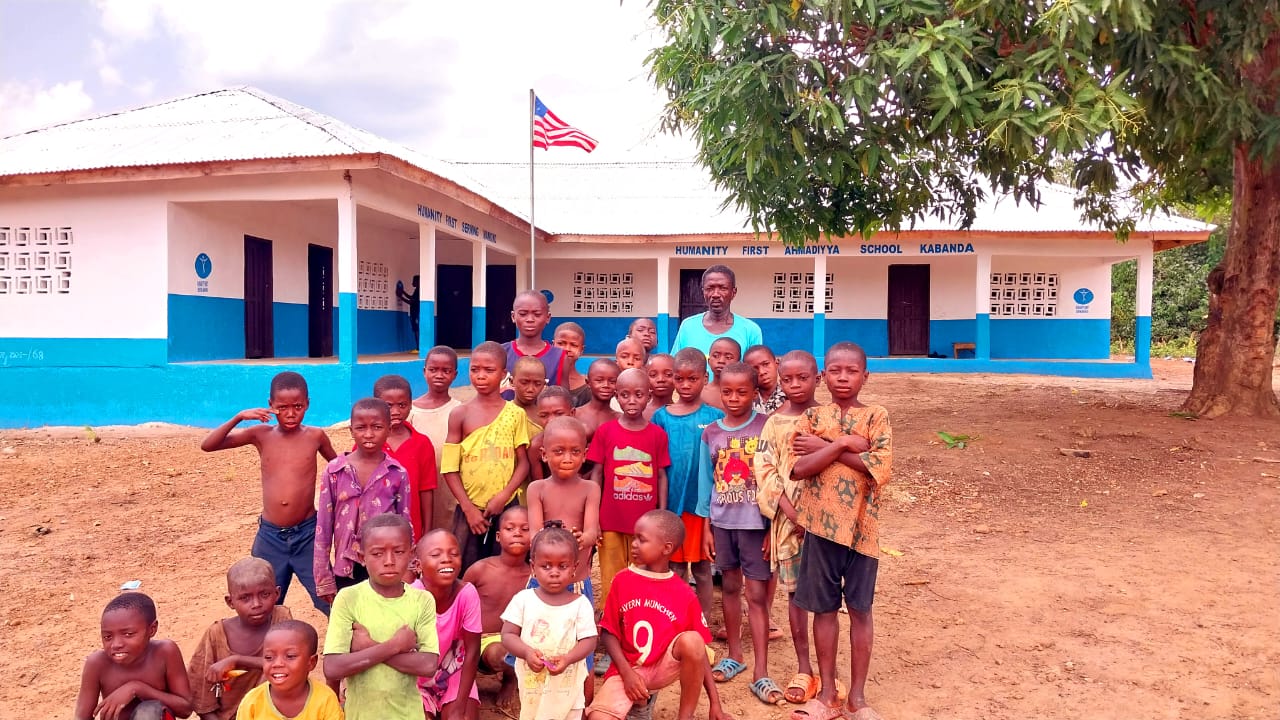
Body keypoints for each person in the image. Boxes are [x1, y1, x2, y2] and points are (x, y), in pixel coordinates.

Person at [790, 342, 892, 720]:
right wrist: (845, 443)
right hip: (820, 528)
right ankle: (829, 693)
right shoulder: (813, 419)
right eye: (836, 370)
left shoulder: (877, 416)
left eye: (852, 371)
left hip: (863, 532)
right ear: (824, 376)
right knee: (825, 610)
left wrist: (826, 448)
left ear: (866, 376)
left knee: (861, 611)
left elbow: (877, 467)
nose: (844, 377)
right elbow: (800, 468)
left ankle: (858, 698)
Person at [201, 371, 337, 614]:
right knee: (263, 603)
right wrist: (239, 417)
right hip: (270, 537)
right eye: (282, 407)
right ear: (270, 406)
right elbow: (208, 445)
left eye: (298, 406)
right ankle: (264, 651)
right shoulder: (261, 435)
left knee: (327, 597)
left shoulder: (315, 436)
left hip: (307, 535)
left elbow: (337, 467)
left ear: (308, 403)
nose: (291, 413)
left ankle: (343, 650)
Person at [586, 510, 729, 720]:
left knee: (693, 640)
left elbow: (699, 654)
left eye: (641, 539)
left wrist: (715, 704)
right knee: (598, 718)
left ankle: (684, 717)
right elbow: (608, 633)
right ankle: (640, 704)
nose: (634, 543)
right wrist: (627, 674)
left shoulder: (684, 593)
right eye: (634, 537)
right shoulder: (622, 580)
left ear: (666, 548)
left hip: (662, 669)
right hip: (627, 669)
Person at [697, 362, 777, 703]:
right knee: (729, 588)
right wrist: (706, 529)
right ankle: (735, 656)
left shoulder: (766, 428)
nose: (733, 398)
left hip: (756, 525)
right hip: (723, 524)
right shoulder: (711, 433)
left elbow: (775, 481)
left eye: (742, 392)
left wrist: (773, 529)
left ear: (755, 393)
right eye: (726, 391)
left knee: (756, 597)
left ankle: (762, 670)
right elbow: (706, 485)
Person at [754, 351, 822, 705]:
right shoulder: (773, 423)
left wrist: (814, 516)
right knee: (795, 595)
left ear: (818, 378)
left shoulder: (829, 420)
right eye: (787, 380)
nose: (794, 386)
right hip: (789, 525)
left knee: (825, 597)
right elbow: (765, 473)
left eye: (803, 378)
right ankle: (803, 667)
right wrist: (795, 516)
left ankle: (827, 670)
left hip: (826, 524)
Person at [324, 513, 440, 720]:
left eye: (398, 551)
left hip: (408, 714)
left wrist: (368, 645)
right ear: (361, 557)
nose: (389, 561)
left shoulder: (422, 601)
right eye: (377, 554)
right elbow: (332, 668)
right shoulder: (349, 598)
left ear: (412, 554)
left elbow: (428, 665)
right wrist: (395, 645)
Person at [441, 341, 531, 569]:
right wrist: (469, 508)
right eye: (475, 370)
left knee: (506, 561)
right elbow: (449, 468)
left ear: (503, 374)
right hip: (468, 507)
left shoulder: (515, 414)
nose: (481, 376)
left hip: (506, 505)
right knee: (464, 564)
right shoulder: (460, 414)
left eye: (489, 371)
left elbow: (523, 464)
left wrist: (504, 495)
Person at [314, 398, 412, 604]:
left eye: (377, 427)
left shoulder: (397, 473)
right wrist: (323, 576)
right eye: (361, 428)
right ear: (351, 430)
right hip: (345, 567)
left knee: (384, 620)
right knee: (349, 623)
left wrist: (408, 566)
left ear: (388, 429)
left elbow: (405, 524)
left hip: (385, 564)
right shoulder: (335, 470)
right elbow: (323, 526)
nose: (368, 434)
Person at [651, 348, 722, 625]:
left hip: (701, 508)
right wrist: (660, 507)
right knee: (676, 567)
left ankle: (702, 621)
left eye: (692, 379)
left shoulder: (715, 417)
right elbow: (658, 467)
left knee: (703, 569)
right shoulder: (662, 417)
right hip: (671, 506)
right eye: (679, 379)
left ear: (705, 378)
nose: (685, 385)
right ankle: (675, 620)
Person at [588, 368, 670, 606]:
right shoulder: (606, 431)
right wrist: (594, 517)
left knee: (642, 574)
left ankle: (637, 619)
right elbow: (597, 473)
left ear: (649, 395)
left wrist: (661, 517)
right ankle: (612, 623)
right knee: (611, 577)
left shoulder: (657, 435)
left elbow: (662, 476)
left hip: (644, 524)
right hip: (610, 521)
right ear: (616, 395)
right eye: (624, 395)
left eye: (638, 395)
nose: (632, 401)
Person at [501, 523, 598, 720]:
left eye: (562, 566)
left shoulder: (580, 604)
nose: (554, 572)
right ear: (533, 567)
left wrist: (568, 658)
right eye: (546, 566)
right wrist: (526, 652)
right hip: (533, 688)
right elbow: (508, 635)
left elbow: (589, 641)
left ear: (574, 568)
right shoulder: (523, 599)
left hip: (568, 688)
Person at [188, 558, 294, 720]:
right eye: (245, 598)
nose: (257, 604)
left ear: (277, 594)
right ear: (230, 602)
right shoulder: (216, 635)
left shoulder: (282, 619)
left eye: (264, 594)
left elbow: (289, 666)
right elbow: (202, 700)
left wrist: (237, 660)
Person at [74, 592, 194, 720]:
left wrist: (137, 689)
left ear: (152, 629)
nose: (116, 644)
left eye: (128, 634)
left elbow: (185, 709)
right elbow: (82, 717)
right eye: (107, 637)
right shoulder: (97, 663)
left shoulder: (165, 652)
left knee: (148, 712)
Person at [461, 505, 532, 716]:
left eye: (525, 528)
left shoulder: (534, 577)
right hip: (473, 639)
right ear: (499, 537)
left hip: (507, 643)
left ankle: (510, 680)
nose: (517, 532)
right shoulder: (480, 569)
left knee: (502, 652)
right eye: (511, 528)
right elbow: (459, 602)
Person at [410, 529, 482, 720]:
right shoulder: (411, 597)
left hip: (453, 674)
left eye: (454, 554)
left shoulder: (467, 593)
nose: (446, 559)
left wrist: (459, 706)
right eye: (436, 554)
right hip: (416, 680)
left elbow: (473, 650)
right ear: (418, 565)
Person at [527, 416, 601, 597]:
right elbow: (534, 535)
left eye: (575, 452)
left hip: (577, 582)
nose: (567, 459)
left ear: (584, 455)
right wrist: (555, 538)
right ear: (544, 454)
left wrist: (580, 539)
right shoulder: (537, 489)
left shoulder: (590, 489)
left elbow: (592, 533)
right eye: (559, 452)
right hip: (542, 581)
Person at [373, 374, 437, 541]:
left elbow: (426, 490)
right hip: (374, 530)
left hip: (411, 530)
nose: (395, 411)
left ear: (410, 405)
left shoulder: (421, 443)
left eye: (402, 405)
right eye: (388, 405)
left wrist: (427, 530)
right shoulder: (367, 443)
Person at [234, 620, 342, 720]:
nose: (277, 664)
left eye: (290, 656)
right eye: (268, 657)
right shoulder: (252, 702)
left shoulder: (325, 699)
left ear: (311, 662)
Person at [409, 346, 464, 532]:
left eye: (446, 371)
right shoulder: (409, 411)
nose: (439, 375)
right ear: (424, 372)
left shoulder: (460, 411)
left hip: (448, 489)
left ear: (455, 374)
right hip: (417, 487)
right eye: (433, 370)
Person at [669, 265, 763, 356]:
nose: (715, 294)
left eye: (723, 288)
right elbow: (675, 365)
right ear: (703, 292)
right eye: (710, 288)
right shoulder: (688, 326)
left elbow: (756, 369)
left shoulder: (750, 330)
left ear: (733, 293)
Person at [504, 290, 567, 387]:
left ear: (548, 317)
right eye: (523, 314)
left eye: (537, 314)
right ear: (513, 316)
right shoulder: (501, 353)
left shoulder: (560, 357)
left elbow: (564, 399)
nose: (530, 319)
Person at [528, 386, 576, 481]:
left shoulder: (582, 439)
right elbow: (538, 484)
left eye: (559, 414)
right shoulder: (536, 446)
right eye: (544, 415)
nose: (551, 420)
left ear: (572, 413)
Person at [576, 358, 620, 442]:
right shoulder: (575, 415)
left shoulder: (620, 419)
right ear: (588, 382)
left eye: (612, 381)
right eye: (599, 381)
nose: (606, 385)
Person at [553, 322, 591, 408]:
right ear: (553, 345)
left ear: (582, 350)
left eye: (573, 345)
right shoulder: (542, 380)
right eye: (561, 343)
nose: (567, 349)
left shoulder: (588, 387)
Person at [508, 355, 549, 432]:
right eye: (524, 383)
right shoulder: (504, 412)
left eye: (537, 384)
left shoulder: (545, 416)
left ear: (544, 385)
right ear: (511, 381)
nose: (530, 389)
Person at [700, 337, 741, 410]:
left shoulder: (743, 393)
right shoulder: (701, 392)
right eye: (716, 356)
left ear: (738, 363)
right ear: (709, 361)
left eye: (728, 357)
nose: (721, 361)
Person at [744, 345, 785, 415]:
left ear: (776, 363)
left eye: (766, 364)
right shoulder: (746, 397)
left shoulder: (790, 393)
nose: (762, 372)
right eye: (755, 369)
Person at [644, 353, 675, 420]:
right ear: (646, 378)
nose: (660, 379)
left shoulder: (683, 413)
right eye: (653, 375)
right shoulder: (640, 413)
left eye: (668, 374)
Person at [396, 275, 421, 349]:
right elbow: (411, 297)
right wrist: (403, 292)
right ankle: (418, 347)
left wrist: (401, 297)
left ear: (418, 282)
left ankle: (418, 347)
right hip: (414, 312)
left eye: (414, 281)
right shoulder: (416, 290)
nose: (412, 283)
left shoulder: (418, 291)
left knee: (416, 329)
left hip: (415, 312)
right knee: (415, 329)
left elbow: (411, 302)